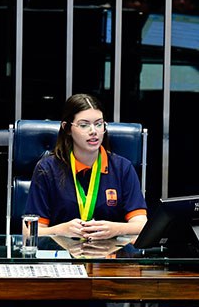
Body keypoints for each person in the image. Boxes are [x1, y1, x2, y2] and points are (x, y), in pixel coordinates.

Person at [23, 93, 147, 240]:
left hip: (109, 258)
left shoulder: (122, 168)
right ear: (67, 128)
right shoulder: (47, 169)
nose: (93, 131)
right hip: (62, 257)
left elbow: (141, 224)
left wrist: (115, 229)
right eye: (84, 125)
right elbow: (28, 232)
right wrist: (61, 230)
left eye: (99, 124)